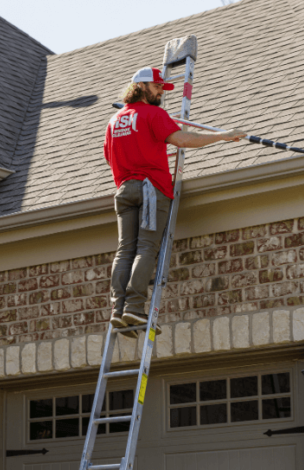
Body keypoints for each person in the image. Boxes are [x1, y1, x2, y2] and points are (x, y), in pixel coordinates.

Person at [104, 67, 246, 333]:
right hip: (150, 190)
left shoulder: (114, 122)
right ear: (142, 87)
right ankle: (134, 309)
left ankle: (118, 309)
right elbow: (182, 139)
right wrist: (221, 136)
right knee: (146, 248)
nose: (161, 92)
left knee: (125, 250)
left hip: (124, 190)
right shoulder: (153, 114)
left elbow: (109, 157)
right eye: (157, 87)